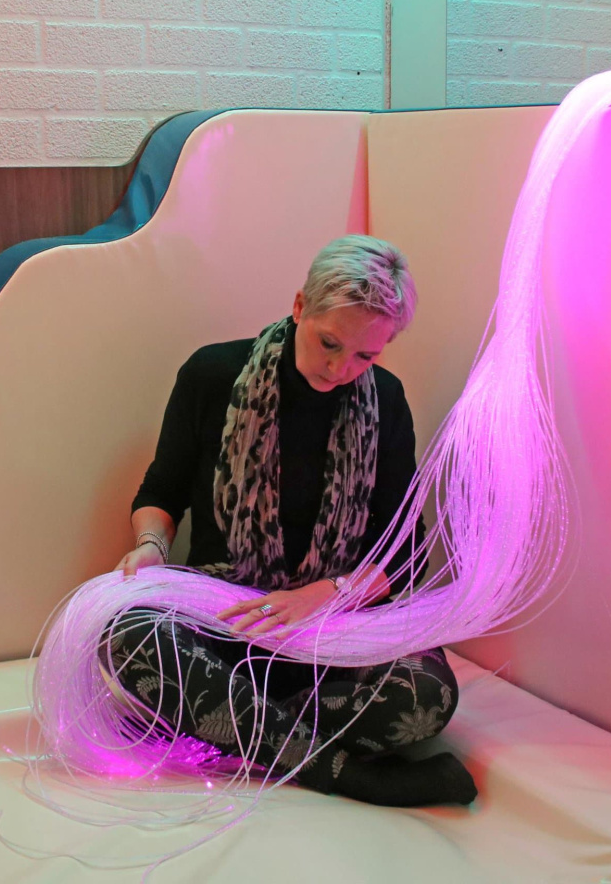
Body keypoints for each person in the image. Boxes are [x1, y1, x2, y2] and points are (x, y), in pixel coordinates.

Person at [108, 235, 477, 808]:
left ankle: (226, 725)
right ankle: (352, 776)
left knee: (427, 696)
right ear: (300, 305)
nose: (340, 369)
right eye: (329, 342)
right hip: (227, 625)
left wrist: (323, 595)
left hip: (334, 635)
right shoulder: (211, 374)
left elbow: (406, 554)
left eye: (365, 356)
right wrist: (152, 546)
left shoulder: (386, 401)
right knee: (126, 636)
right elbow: (162, 492)